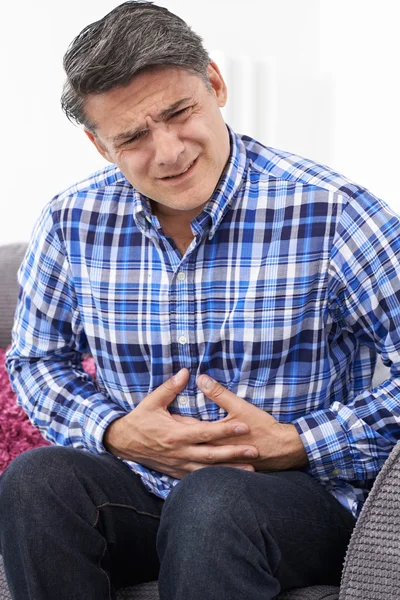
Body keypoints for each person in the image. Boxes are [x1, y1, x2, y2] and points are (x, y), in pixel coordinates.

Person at [1, 1, 400, 598]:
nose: (167, 152)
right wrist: (114, 432)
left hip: (299, 499)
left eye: (179, 112)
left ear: (214, 83)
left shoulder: (336, 213)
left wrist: (297, 443)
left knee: (212, 500)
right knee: (36, 480)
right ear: (97, 142)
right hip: (141, 490)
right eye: (132, 136)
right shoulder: (69, 222)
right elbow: (35, 362)